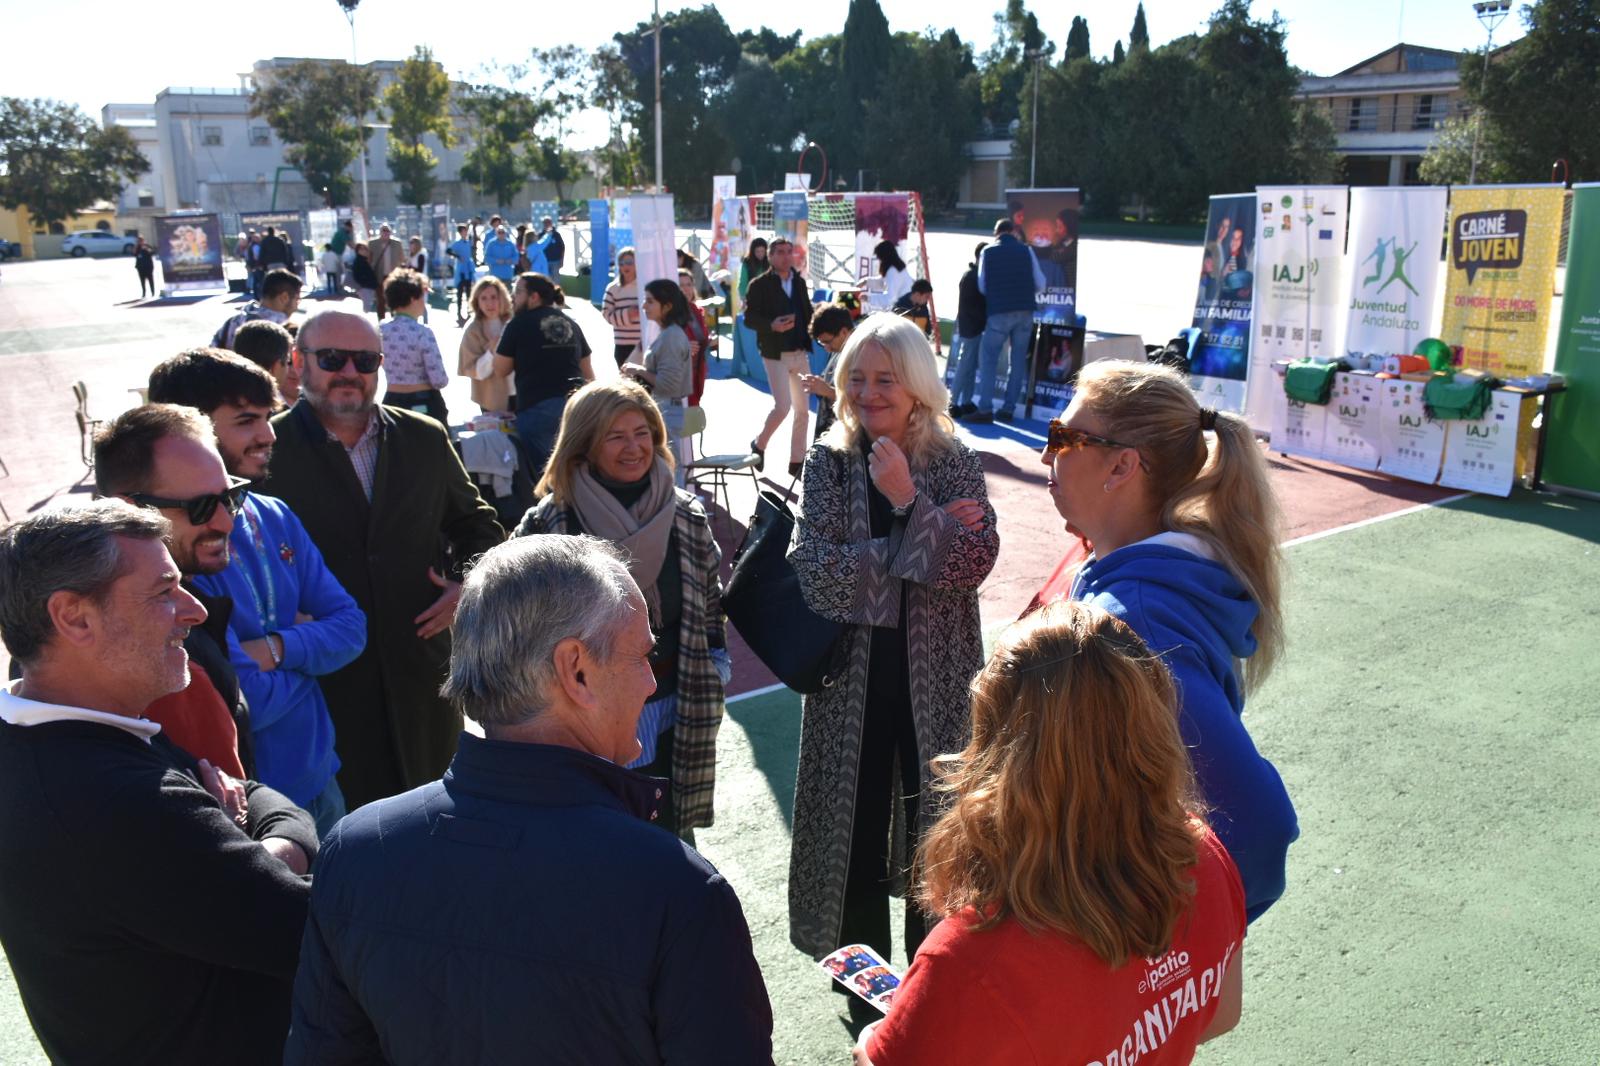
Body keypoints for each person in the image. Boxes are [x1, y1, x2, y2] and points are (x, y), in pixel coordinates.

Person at [284, 534, 773, 1063]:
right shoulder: (679, 892)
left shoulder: (355, 852)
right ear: (576, 671)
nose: (652, 682)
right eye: (641, 656)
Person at [853, 602, 1247, 1065]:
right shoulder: (1202, 855)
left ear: (996, 752)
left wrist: (873, 1045)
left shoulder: (966, 960)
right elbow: (1221, 1016)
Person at [0, 500, 319, 1065]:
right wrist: (268, 845)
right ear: (74, 617)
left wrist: (248, 840)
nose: (194, 610)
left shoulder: (55, 739)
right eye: (163, 592)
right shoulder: (114, 797)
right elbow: (317, 930)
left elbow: (258, 794)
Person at [787, 314, 999, 1021]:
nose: (870, 391)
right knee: (849, 826)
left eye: (887, 379)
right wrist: (920, 547)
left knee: (936, 825)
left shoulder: (953, 457)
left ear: (916, 387)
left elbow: (974, 565)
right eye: (857, 376)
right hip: (850, 681)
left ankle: (937, 969)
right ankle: (860, 977)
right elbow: (814, 575)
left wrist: (909, 501)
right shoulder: (828, 459)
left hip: (939, 677)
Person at [1040, 360, 1298, 919]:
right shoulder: (1144, 578)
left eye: (1062, 438)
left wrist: (1155, 950)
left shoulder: (1134, 623)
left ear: (1122, 466)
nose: (1046, 454)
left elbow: (1259, 829)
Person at [259, 309, 505, 808]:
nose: (350, 372)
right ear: (296, 362)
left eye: (365, 360)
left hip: (421, 675)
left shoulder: (425, 438)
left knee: (434, 823)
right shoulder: (267, 450)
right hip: (320, 688)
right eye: (332, 359)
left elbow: (477, 525)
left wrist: (466, 586)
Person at [148, 349, 368, 838]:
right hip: (248, 808)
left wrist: (273, 649)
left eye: (268, 418)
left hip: (322, 780)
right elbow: (241, 702)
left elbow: (352, 629)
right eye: (247, 421)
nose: (269, 435)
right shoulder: (172, 547)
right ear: (188, 432)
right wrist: (310, 662)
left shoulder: (273, 513)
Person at [513, 381, 732, 835]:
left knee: (669, 822)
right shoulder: (553, 523)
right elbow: (522, 618)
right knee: (597, 825)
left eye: (643, 433)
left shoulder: (686, 514)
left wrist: (715, 659)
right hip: (585, 708)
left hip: (674, 692)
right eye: (615, 436)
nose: (634, 447)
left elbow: (710, 598)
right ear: (585, 444)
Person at [93, 404, 258, 779]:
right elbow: (226, 812)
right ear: (129, 509)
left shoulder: (106, 608)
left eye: (230, 496)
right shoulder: (147, 650)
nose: (226, 520)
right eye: (200, 507)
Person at [494, 272, 596, 478]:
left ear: (534, 297)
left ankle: (557, 508)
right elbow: (588, 373)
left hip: (536, 408)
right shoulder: (570, 323)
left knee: (547, 478)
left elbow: (500, 369)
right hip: (575, 407)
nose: (513, 297)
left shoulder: (518, 324)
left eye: (518, 292)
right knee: (576, 471)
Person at [744, 237, 814, 478]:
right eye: (780, 252)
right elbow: (749, 318)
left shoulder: (800, 283)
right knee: (783, 407)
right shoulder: (759, 285)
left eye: (789, 252)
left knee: (803, 411)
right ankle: (759, 444)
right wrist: (771, 325)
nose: (786, 256)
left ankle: (797, 461)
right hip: (775, 354)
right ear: (771, 256)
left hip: (800, 352)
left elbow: (808, 312)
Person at [967, 219, 1046, 424]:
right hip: (1025, 311)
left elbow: (983, 286)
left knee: (989, 358)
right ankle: (1009, 408)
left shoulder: (988, 252)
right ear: (1013, 232)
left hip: (999, 311)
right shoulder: (1026, 251)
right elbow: (1040, 283)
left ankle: (985, 408)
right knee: (1018, 359)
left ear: (996, 233)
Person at [621, 278, 694, 458]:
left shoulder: (671, 337)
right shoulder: (668, 334)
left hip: (666, 410)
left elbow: (668, 385)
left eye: (650, 301)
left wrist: (637, 370)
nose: (644, 306)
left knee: (669, 471)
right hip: (664, 409)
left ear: (667, 306)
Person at [378, 267, 451, 427]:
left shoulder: (381, 330)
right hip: (424, 401)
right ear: (413, 298)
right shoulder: (422, 332)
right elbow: (439, 380)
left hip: (391, 400)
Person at [457, 275, 514, 415]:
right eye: (484, 298)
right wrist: (492, 350)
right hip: (491, 398)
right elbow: (476, 371)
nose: (490, 303)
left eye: (494, 297)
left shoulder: (512, 321)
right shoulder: (473, 329)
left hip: (520, 394)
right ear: (477, 301)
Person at [212, 267, 302, 350]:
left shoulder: (231, 323)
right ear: (284, 297)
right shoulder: (285, 331)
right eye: (297, 299)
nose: (297, 305)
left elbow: (213, 353)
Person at [946, 242, 988, 419]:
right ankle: (952, 402)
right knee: (965, 365)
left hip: (974, 326)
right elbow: (969, 307)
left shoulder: (977, 276)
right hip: (971, 328)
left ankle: (966, 400)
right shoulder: (972, 277)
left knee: (970, 366)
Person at [801, 303, 854, 438]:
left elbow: (861, 402)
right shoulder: (838, 349)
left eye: (828, 341)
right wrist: (818, 386)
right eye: (822, 343)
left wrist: (827, 391)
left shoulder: (861, 355)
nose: (826, 348)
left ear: (844, 332)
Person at [235, 319, 301, 406]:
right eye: (288, 362)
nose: (294, 369)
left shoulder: (221, 400)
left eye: (302, 362)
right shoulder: (268, 412)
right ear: (275, 367)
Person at [602, 245, 642, 365]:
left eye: (629, 262)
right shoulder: (613, 288)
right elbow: (606, 314)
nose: (625, 266)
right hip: (622, 345)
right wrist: (627, 314)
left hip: (643, 343)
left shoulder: (645, 287)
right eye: (622, 262)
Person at [678, 267, 712, 406]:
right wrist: (683, 346)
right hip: (679, 373)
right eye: (680, 285)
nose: (686, 289)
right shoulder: (669, 312)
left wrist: (709, 341)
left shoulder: (696, 310)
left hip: (696, 372)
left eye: (689, 284)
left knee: (692, 413)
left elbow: (700, 338)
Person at [368, 224, 404, 319]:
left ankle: (393, 319)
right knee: (380, 300)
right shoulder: (373, 244)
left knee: (393, 299)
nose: (385, 233)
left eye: (387, 231)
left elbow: (401, 259)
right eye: (383, 230)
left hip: (392, 276)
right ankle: (381, 321)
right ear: (380, 232)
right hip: (379, 276)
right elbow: (369, 259)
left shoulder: (397, 244)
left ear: (390, 232)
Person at [447, 223, 475, 322]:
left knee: (469, 293)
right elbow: (448, 251)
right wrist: (458, 256)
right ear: (460, 232)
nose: (465, 232)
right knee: (459, 293)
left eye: (466, 231)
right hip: (461, 270)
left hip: (468, 269)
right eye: (463, 231)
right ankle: (459, 313)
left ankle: (468, 312)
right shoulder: (457, 243)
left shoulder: (468, 242)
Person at [872, 239, 912, 309]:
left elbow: (890, 299)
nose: (879, 262)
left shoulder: (893, 272)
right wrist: (866, 282)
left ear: (884, 257)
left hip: (904, 309)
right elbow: (884, 282)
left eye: (879, 258)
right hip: (905, 305)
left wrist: (869, 298)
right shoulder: (897, 268)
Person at [348, 242, 379, 313]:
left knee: (368, 306)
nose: (365, 251)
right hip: (365, 287)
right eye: (362, 249)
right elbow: (357, 276)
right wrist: (366, 283)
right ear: (358, 251)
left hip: (366, 286)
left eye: (365, 249)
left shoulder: (362, 260)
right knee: (368, 307)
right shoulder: (359, 261)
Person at [737, 237, 768, 303]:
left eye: (762, 251)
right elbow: (743, 282)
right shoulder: (747, 263)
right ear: (753, 252)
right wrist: (743, 299)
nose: (760, 254)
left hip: (768, 298)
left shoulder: (770, 262)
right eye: (757, 251)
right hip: (751, 298)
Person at [134, 234, 157, 298]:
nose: (139, 242)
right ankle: (144, 293)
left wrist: (147, 249)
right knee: (142, 281)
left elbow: (153, 253)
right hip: (140, 267)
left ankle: (153, 292)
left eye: (140, 241)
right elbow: (134, 254)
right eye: (138, 241)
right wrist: (136, 247)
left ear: (143, 241)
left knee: (150, 280)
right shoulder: (137, 247)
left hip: (148, 266)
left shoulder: (147, 246)